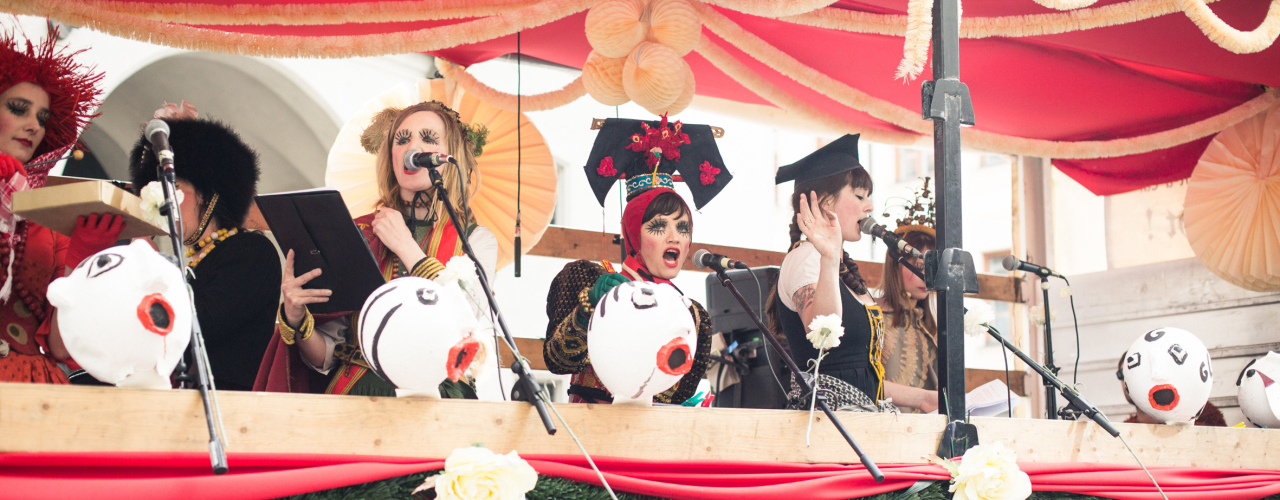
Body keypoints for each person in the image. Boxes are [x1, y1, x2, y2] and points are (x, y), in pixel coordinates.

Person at [264, 100, 496, 397]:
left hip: (439, 397)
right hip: (359, 393)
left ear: (449, 157)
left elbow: (469, 316)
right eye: (402, 139)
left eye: (428, 139)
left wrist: (405, 246)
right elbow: (326, 357)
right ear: (392, 155)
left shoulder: (477, 240)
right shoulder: (358, 231)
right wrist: (296, 319)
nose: (413, 147)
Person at [543, 116, 730, 404]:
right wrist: (587, 309)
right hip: (588, 436)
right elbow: (559, 362)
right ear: (632, 235)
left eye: (683, 228)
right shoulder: (587, 281)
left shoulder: (692, 317)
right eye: (658, 226)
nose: (674, 238)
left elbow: (676, 394)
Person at [767, 134, 937, 413]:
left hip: (859, 422)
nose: (869, 206)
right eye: (859, 196)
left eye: (868, 197)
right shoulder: (806, 258)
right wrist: (830, 257)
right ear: (823, 202)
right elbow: (823, 334)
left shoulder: (838, 267)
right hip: (827, 426)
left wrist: (923, 398)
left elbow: (859, 376)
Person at [0, 30, 125, 384]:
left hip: (30, 386)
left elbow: (58, 344)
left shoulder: (48, 219)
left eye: (42, 118)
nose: (32, 126)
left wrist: (79, 262)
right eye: (18, 109)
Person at [127, 106, 281, 391]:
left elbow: (193, 328)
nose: (164, 201)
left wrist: (151, 271)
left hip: (226, 409)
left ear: (207, 193)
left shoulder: (252, 252)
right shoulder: (189, 260)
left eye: (173, 187)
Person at [875, 181, 939, 398]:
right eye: (917, 266)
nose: (925, 276)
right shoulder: (873, 317)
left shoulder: (931, 326)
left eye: (930, 268)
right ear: (895, 265)